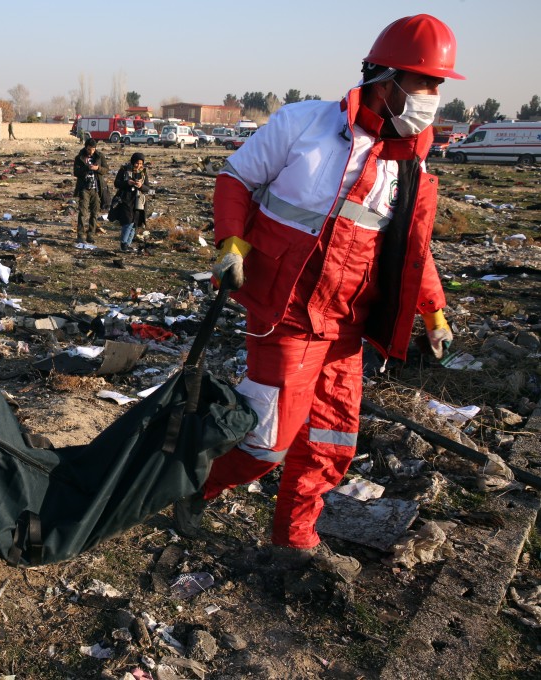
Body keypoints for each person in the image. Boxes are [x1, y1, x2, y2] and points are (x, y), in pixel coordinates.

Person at [173, 14, 462, 582]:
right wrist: (231, 241)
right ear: (385, 77)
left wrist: (434, 308)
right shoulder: (303, 125)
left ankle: (295, 539)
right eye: (423, 83)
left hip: (346, 325)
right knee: (267, 441)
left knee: (331, 439)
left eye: (438, 86)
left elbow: (411, 248)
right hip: (283, 312)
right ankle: (194, 485)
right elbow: (235, 178)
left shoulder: (411, 164)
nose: (431, 98)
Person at [72, 137, 107, 244]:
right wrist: (86, 168)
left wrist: (98, 169)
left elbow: (106, 169)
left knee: (95, 212)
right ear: (85, 148)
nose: (91, 151)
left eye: (93, 149)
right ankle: (81, 234)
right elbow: (76, 172)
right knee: (83, 212)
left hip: (96, 188)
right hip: (84, 188)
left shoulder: (100, 156)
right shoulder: (79, 158)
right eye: (89, 149)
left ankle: (91, 234)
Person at [112, 152, 148, 252]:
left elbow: (147, 188)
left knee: (134, 223)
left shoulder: (143, 172)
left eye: (141, 164)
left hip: (138, 201)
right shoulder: (124, 170)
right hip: (125, 199)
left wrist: (141, 186)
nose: (139, 165)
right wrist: (127, 183)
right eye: (137, 163)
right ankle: (123, 244)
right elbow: (117, 183)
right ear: (132, 162)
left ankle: (128, 244)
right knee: (127, 222)